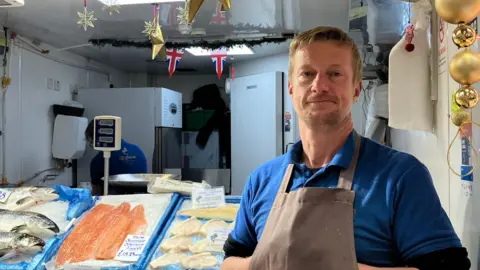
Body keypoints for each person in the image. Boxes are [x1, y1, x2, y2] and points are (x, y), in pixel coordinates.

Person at [221, 26, 471, 270]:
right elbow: (229, 261)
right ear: (291, 88)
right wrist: (269, 263)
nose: (319, 85)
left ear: (356, 89)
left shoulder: (400, 175)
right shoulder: (261, 179)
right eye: (307, 74)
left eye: (334, 74)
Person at [85, 119, 147, 195]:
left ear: (97, 138)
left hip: (115, 203)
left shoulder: (98, 161)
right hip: (141, 201)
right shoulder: (138, 150)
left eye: (92, 142)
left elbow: (96, 194)